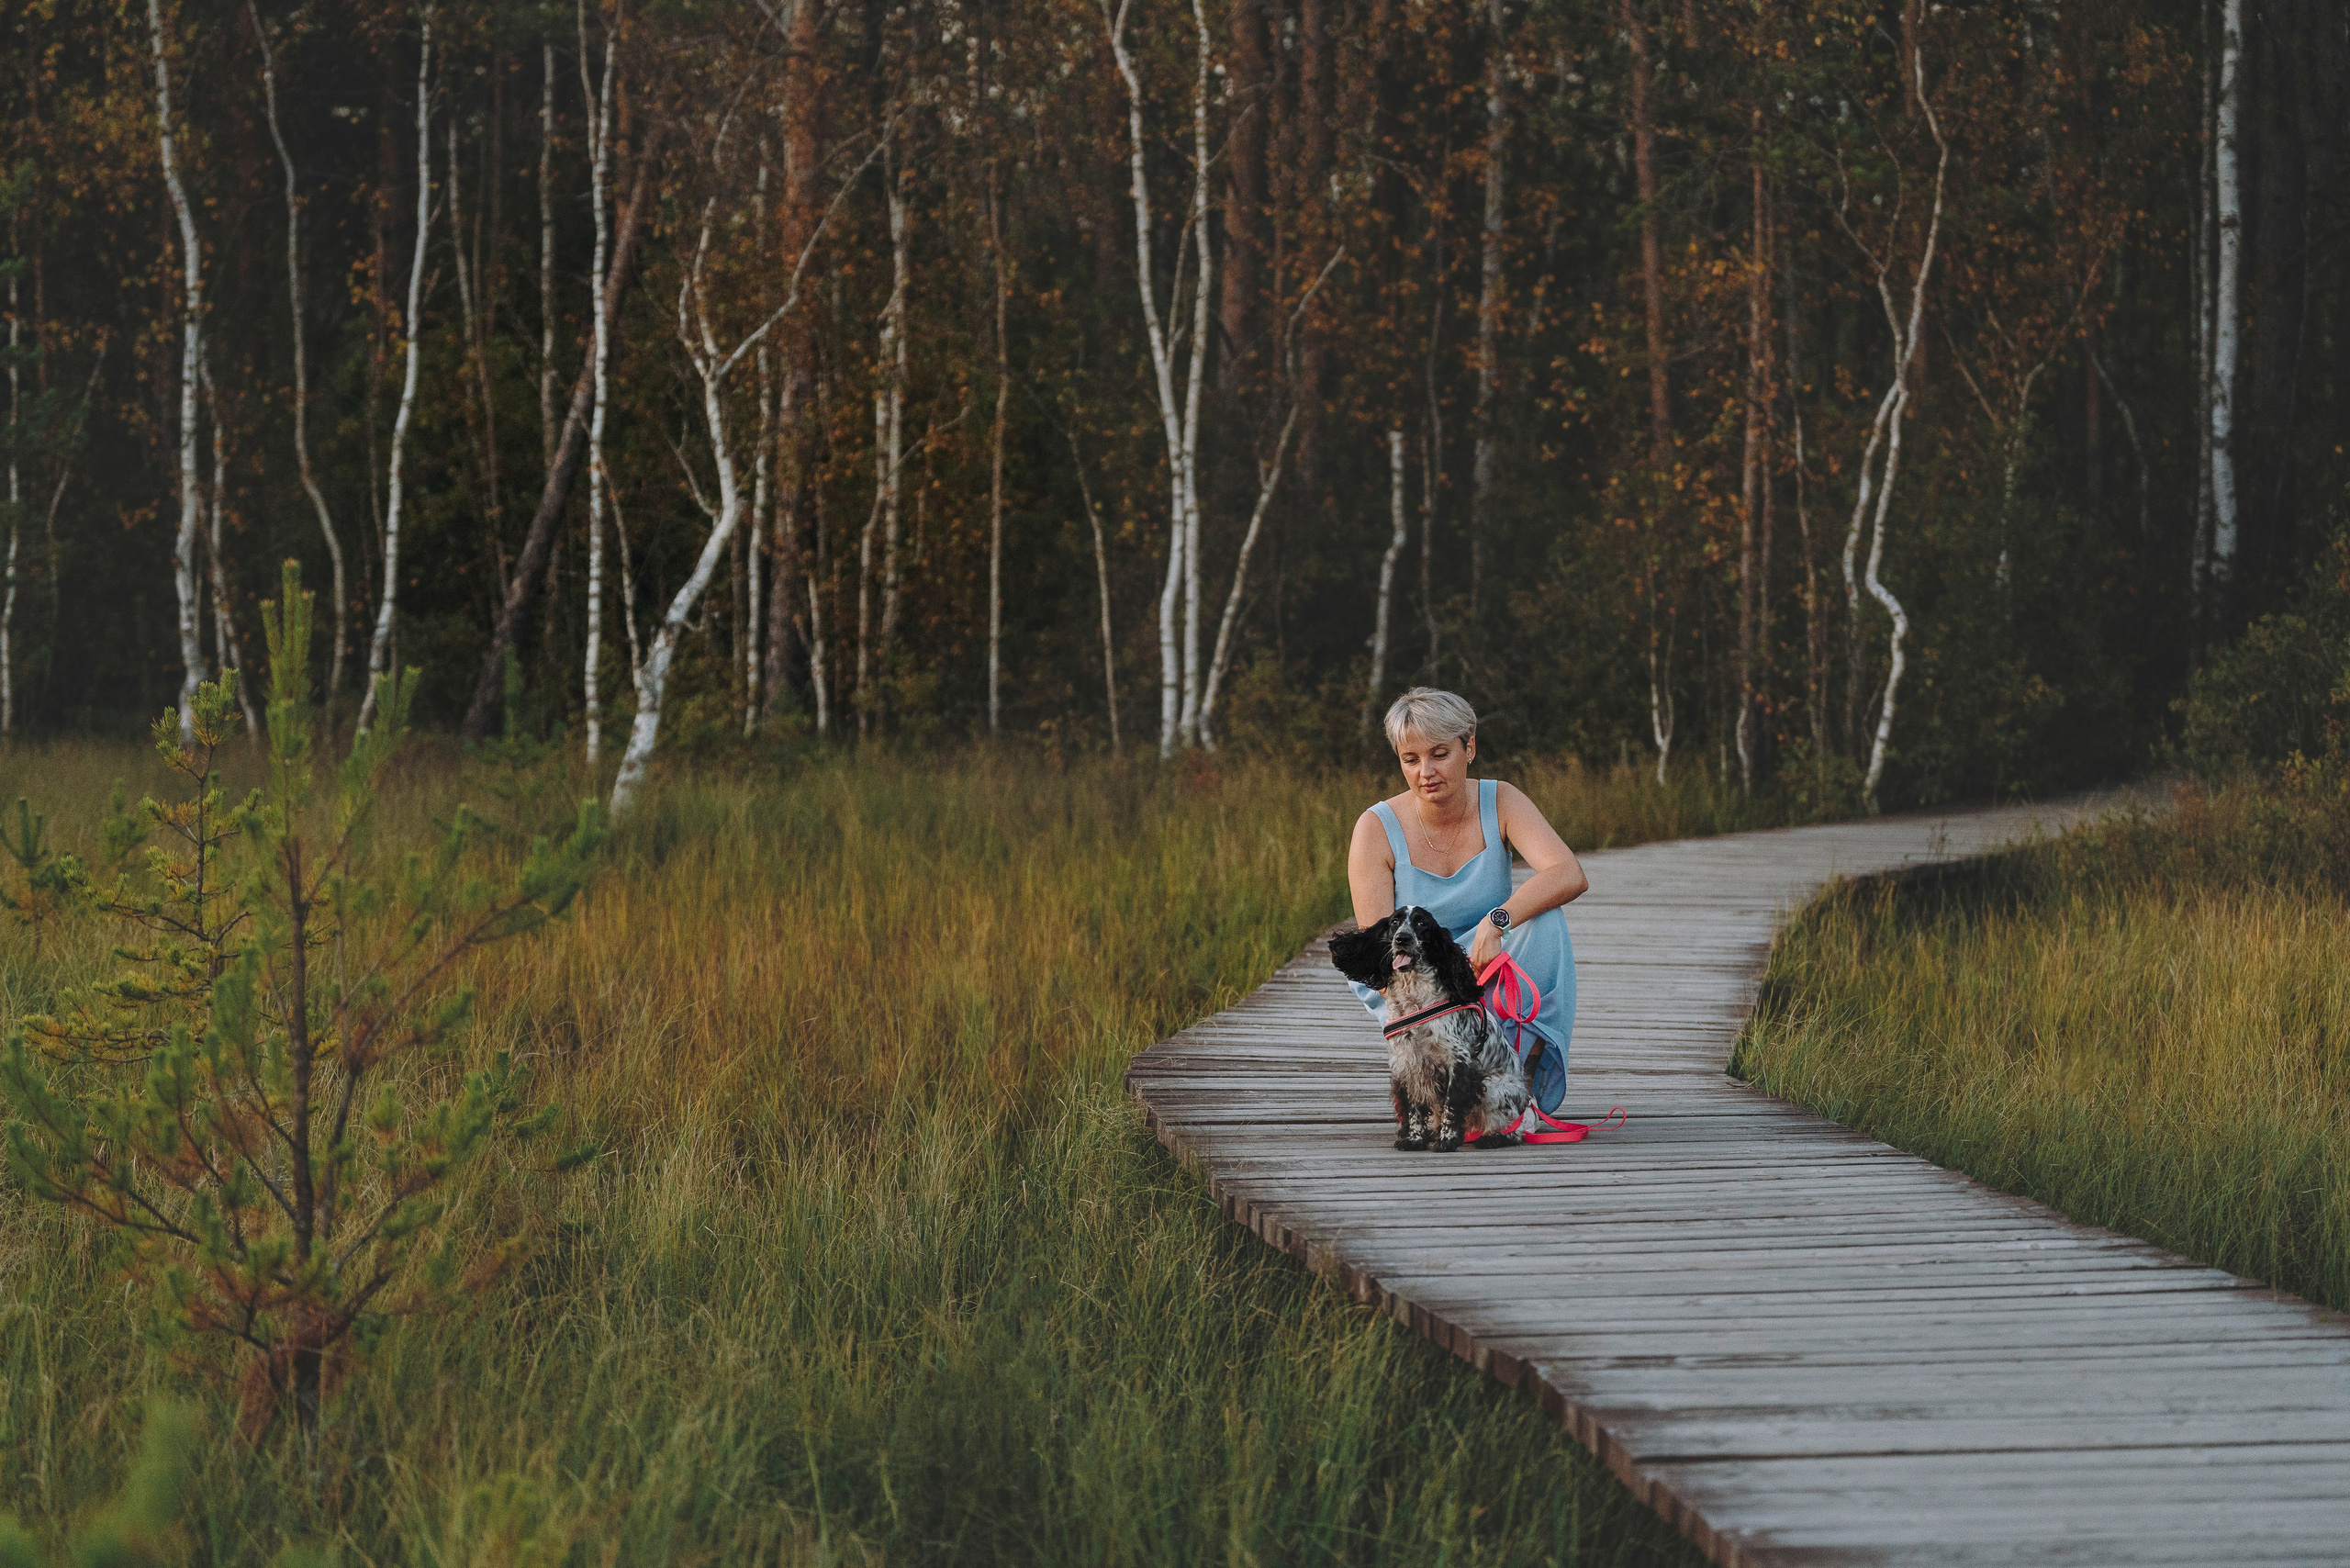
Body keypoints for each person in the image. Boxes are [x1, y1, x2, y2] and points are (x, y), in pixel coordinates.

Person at [1346, 688, 1588, 1114]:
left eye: (1440, 754)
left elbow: (1567, 873)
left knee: (1545, 920)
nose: (1426, 772)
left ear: (1469, 746)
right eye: (1411, 759)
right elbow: (1379, 954)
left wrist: (1496, 923)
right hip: (1414, 975)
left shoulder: (1501, 799)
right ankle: (1436, 1083)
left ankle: (1520, 1083)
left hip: (1487, 957)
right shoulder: (1375, 828)